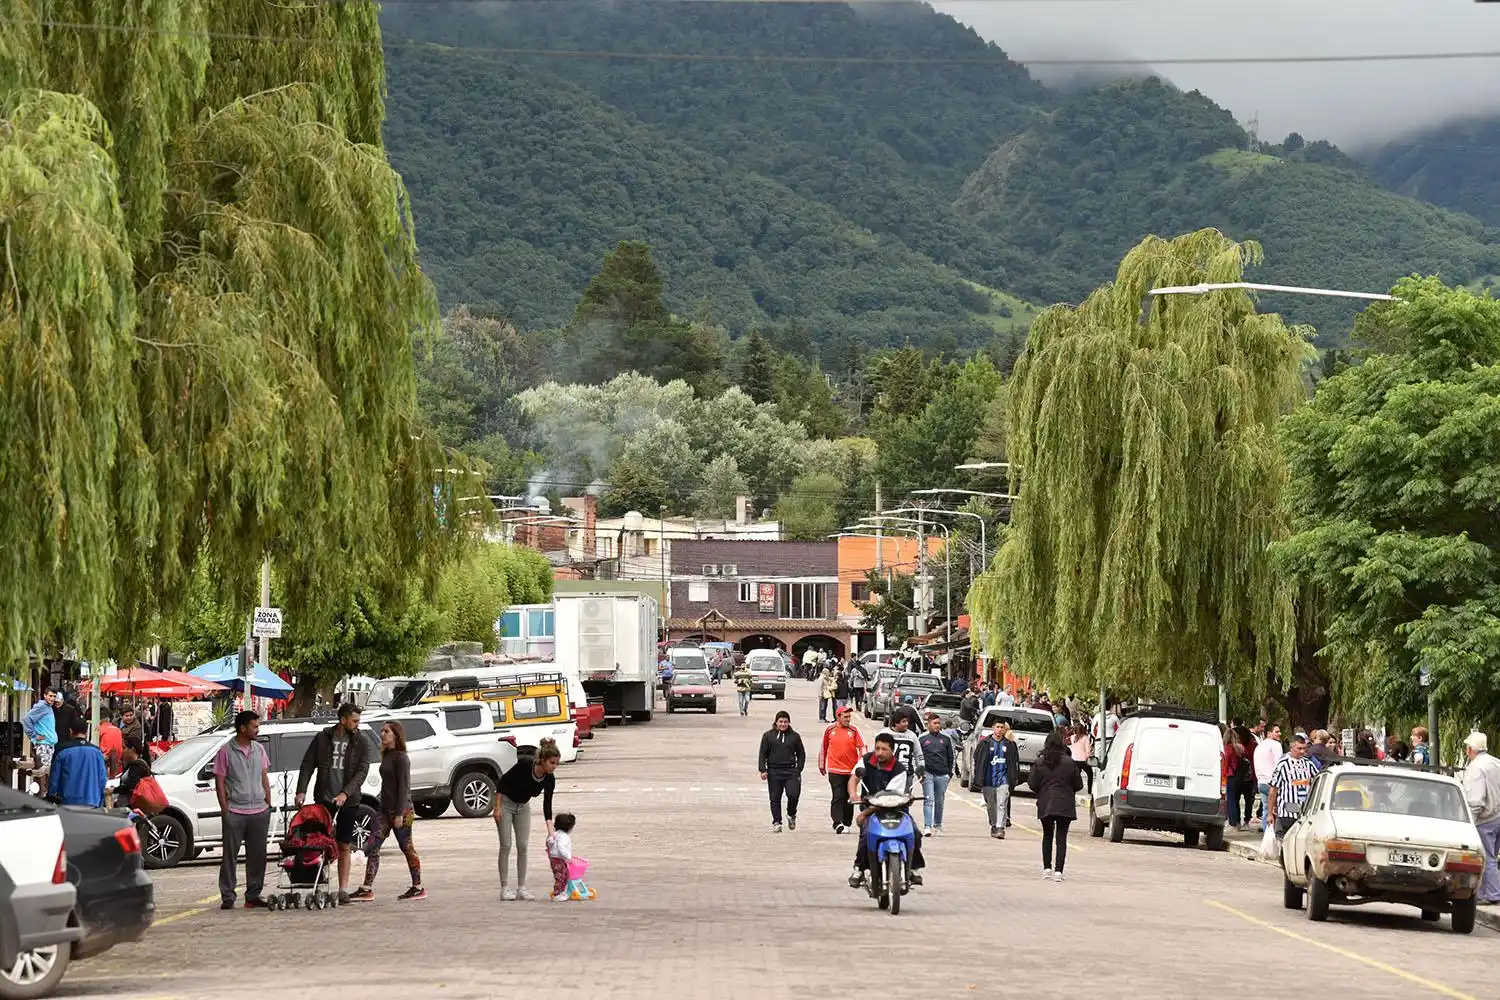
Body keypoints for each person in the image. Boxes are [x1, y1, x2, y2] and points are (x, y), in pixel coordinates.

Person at [295, 702, 372, 905]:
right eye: (354, 721)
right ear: (342, 719)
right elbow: (307, 764)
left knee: (344, 844)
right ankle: (321, 885)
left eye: (358, 721)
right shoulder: (323, 738)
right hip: (324, 798)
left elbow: (362, 771)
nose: (357, 725)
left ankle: (343, 889)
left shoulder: (361, 742)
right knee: (321, 843)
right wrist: (301, 790)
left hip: (349, 801)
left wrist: (346, 793)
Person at [350, 721, 425, 902]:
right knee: (373, 845)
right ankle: (366, 888)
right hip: (385, 810)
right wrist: (382, 808)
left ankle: (418, 887)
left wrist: (399, 814)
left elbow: (403, 788)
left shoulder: (401, 758)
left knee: (407, 847)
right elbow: (387, 786)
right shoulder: (388, 755)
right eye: (382, 731)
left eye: (386, 731)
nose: (382, 734)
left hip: (402, 811)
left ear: (396, 736)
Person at [847, 733, 925, 889]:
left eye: (884, 749)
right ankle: (859, 869)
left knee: (914, 832)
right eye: (877, 748)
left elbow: (887, 799)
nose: (880, 753)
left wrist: (863, 814)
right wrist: (853, 794)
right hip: (871, 810)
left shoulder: (900, 770)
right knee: (866, 835)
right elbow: (854, 778)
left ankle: (912, 868)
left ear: (892, 750)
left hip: (895, 809)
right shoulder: (866, 760)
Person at [214, 710, 272, 909]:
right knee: (230, 856)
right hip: (235, 812)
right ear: (243, 728)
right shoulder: (225, 751)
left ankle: (253, 895)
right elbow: (220, 782)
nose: (257, 730)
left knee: (258, 856)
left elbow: (264, 775)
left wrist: (268, 802)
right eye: (254, 726)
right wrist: (225, 809)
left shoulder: (259, 749)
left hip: (259, 811)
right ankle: (228, 896)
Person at [494, 739, 561, 901]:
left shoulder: (549, 778)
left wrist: (551, 831)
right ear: (543, 761)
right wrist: (497, 807)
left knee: (523, 845)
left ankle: (521, 888)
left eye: (556, 764)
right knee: (506, 845)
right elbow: (502, 783)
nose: (554, 767)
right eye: (552, 763)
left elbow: (547, 805)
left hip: (523, 807)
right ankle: (504, 888)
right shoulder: (525, 766)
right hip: (506, 804)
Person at [1029, 729, 1083, 882]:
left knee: (1047, 835)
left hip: (1046, 802)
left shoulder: (1040, 762)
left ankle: (1047, 868)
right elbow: (1078, 784)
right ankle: (1059, 871)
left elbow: (1032, 784)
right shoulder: (1069, 762)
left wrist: (1042, 789)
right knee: (1061, 837)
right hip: (1064, 803)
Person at [1462, 732, 1500, 906]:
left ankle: (1491, 894)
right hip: (1498, 815)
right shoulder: (1495, 762)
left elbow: (1476, 799)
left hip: (1485, 819)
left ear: (1470, 749)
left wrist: (1469, 820)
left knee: (1487, 858)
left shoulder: (1476, 767)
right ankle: (1490, 892)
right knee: (1493, 856)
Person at [819, 706, 865, 834]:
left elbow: (862, 747)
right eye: (845, 717)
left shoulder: (854, 730)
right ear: (838, 717)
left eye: (849, 717)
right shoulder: (830, 730)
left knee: (849, 797)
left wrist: (861, 765)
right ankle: (837, 823)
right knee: (838, 796)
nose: (848, 719)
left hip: (851, 772)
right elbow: (823, 747)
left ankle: (846, 822)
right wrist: (822, 765)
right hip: (834, 769)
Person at [758, 710, 806, 832]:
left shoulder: (795, 736)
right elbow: (762, 754)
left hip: (791, 771)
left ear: (789, 722)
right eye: (781, 721)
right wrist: (763, 770)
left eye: (785, 722)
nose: (783, 724)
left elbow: (801, 754)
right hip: (774, 771)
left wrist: (798, 769)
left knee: (793, 795)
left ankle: (791, 814)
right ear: (776, 722)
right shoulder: (768, 736)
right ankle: (777, 821)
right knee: (775, 797)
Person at [973, 717, 1019, 838]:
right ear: (993, 728)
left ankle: (1000, 827)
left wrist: (1013, 778)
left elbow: (1015, 762)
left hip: (1004, 779)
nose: (999, 730)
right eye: (997, 727)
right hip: (988, 780)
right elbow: (977, 758)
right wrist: (978, 776)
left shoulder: (1010, 745)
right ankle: (994, 824)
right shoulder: (984, 744)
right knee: (991, 804)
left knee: (1002, 803)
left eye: (1001, 727)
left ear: (1005, 729)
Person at [1266, 734, 1317, 840]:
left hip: (1305, 811)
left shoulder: (1308, 763)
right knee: (1286, 840)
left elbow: (1317, 779)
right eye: (1299, 748)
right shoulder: (1283, 765)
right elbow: (1273, 789)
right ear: (1291, 747)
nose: (1302, 751)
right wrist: (1270, 813)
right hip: (1287, 811)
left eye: (1304, 748)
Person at [47, 718, 107, 808]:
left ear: (70, 731)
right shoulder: (97, 752)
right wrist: (101, 802)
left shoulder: (62, 751)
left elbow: (54, 780)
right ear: (86, 732)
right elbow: (102, 779)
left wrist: (51, 798)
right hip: (92, 802)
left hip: (67, 802)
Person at [917, 713, 956, 836]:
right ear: (928, 724)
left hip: (942, 774)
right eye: (934, 723)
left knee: (940, 801)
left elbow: (951, 757)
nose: (937, 725)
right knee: (928, 800)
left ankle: (938, 825)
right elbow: (917, 756)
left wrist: (950, 773)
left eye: (939, 723)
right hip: (927, 773)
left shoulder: (945, 739)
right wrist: (920, 772)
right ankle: (927, 826)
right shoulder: (922, 739)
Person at [22, 688, 59, 794]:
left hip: (49, 744)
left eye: (54, 696)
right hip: (43, 745)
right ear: (45, 695)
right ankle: (38, 796)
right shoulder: (41, 707)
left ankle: (40, 794)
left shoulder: (48, 708)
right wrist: (33, 735)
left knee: (44, 772)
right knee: (42, 772)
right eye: (50, 696)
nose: (52, 698)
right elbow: (26, 719)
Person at [876, 707, 925, 776]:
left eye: (907, 721)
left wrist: (921, 769)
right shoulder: (884, 733)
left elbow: (918, 754)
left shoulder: (912, 735)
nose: (907, 723)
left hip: (906, 774)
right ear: (896, 723)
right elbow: (876, 754)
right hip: (887, 774)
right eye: (903, 721)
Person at [1253, 723, 1284, 831]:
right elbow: (1279, 764)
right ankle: (1277, 832)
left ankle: (1267, 832)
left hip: (1261, 782)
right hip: (1272, 782)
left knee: (1267, 808)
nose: (1279, 734)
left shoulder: (1259, 746)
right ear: (1269, 733)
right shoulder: (1276, 745)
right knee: (1278, 809)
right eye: (1276, 731)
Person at [547, 812, 579, 900]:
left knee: (560, 875)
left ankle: (561, 891)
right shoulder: (564, 837)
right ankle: (558, 894)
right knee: (561, 876)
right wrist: (568, 857)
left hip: (553, 859)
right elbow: (562, 848)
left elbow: (549, 842)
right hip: (559, 859)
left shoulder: (555, 834)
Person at [116, 735, 151, 814]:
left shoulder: (138, 766)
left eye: (124, 748)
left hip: (133, 809)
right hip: (127, 806)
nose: (122, 751)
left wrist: (114, 790)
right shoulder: (131, 764)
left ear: (132, 749)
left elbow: (131, 786)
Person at [1069, 724, 1092, 789]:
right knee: (1090, 774)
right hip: (1084, 760)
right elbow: (1088, 750)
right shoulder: (1086, 737)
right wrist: (1090, 756)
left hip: (1074, 760)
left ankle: (1073, 790)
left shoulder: (1072, 737)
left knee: (1075, 776)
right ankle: (1089, 791)